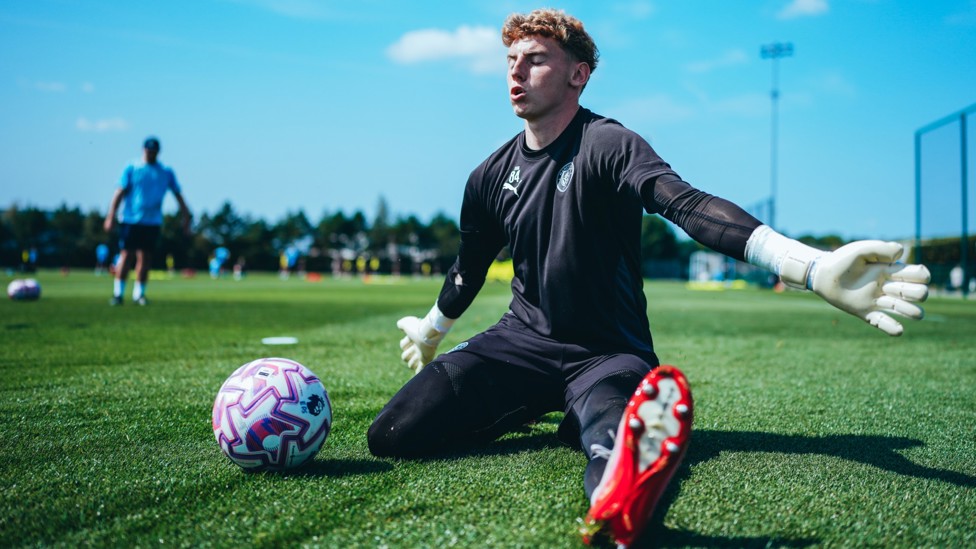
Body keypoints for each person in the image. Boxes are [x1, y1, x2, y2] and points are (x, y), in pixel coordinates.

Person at [366, 9, 931, 548]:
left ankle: (612, 492)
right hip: (520, 343)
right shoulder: (489, 174)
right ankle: (552, 408)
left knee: (616, 458)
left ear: (577, 75)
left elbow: (689, 206)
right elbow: (470, 264)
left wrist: (809, 265)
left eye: (535, 59)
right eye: (511, 59)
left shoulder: (608, 144)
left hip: (607, 354)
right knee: (391, 435)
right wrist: (433, 327)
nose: (516, 70)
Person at [104, 137, 191, 305]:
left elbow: (178, 195)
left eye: (154, 151)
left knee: (145, 258)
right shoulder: (132, 167)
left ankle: (139, 294)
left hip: (152, 221)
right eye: (148, 150)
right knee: (126, 255)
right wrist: (110, 216)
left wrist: (186, 216)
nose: (151, 154)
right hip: (130, 219)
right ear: (143, 150)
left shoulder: (165, 172)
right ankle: (118, 293)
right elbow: (119, 192)